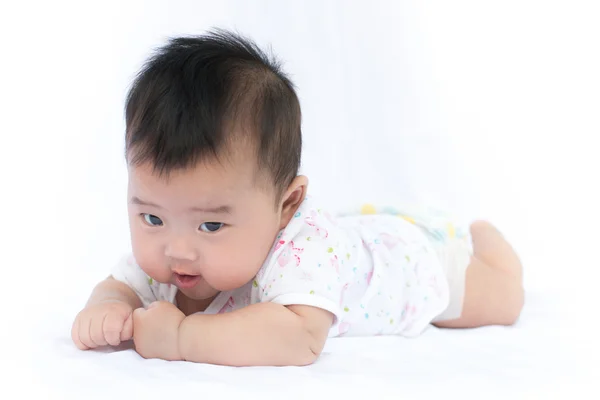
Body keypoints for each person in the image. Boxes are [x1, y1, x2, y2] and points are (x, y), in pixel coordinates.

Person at [71, 29, 524, 367]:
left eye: (210, 225)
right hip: (350, 235)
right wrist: (107, 308)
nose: (176, 248)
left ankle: (489, 247)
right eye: (151, 218)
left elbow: (300, 338)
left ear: (286, 207)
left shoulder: (302, 251)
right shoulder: (174, 250)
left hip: (404, 264)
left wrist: (183, 338)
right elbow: (123, 284)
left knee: (500, 302)